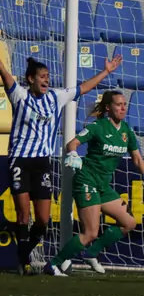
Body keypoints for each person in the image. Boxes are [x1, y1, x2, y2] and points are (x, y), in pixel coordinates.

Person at [1, 54, 122, 274]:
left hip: (42, 163)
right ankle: (23, 262)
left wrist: (106, 72)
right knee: (23, 215)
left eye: (48, 76)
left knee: (43, 220)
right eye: (42, 77)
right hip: (19, 161)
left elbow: (82, 88)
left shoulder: (55, 97)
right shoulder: (18, 95)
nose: (47, 80)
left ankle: (24, 252)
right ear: (31, 79)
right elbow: (4, 73)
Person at [46, 90, 144, 275]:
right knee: (90, 232)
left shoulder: (127, 130)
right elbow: (72, 144)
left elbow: (136, 157)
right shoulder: (98, 126)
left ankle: (92, 253)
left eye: (124, 104)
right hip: (87, 180)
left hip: (103, 186)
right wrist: (73, 155)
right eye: (118, 104)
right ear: (108, 108)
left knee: (129, 222)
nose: (123, 108)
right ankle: (54, 264)